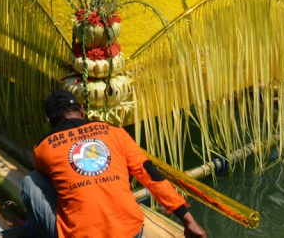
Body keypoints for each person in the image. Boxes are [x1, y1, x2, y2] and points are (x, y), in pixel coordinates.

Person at [21, 90, 206, 238]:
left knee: (31, 181)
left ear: (49, 122)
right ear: (82, 110)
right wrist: (188, 220)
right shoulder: (115, 132)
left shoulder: (42, 147)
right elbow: (150, 173)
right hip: (131, 232)